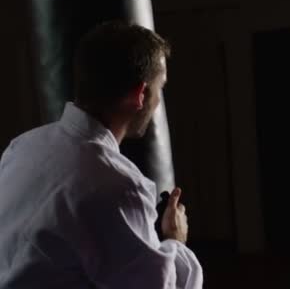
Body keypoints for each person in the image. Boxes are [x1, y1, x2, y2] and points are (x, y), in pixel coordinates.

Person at [0, 21, 203, 288]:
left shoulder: (21, 147)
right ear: (141, 94)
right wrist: (175, 241)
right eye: (159, 88)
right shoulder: (117, 186)